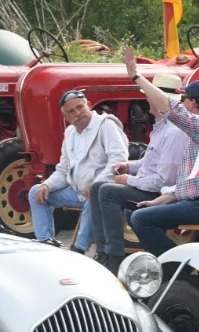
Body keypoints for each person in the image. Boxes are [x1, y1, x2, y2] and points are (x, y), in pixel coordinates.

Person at [120, 45, 199, 256]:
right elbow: (184, 187)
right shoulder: (198, 133)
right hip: (190, 200)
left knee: (142, 218)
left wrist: (136, 76)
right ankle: (171, 261)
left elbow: (171, 109)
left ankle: (176, 265)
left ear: (194, 102)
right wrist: (155, 201)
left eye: (185, 99)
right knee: (136, 211)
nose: (182, 102)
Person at [87, 72, 191, 270]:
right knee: (97, 187)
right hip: (150, 185)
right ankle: (103, 251)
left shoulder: (173, 133)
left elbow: (164, 180)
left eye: (149, 95)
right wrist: (129, 165)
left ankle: (114, 256)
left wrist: (129, 180)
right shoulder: (162, 127)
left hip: (161, 192)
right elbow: (151, 163)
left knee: (107, 191)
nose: (145, 99)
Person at [28, 89, 128, 252]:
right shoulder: (70, 133)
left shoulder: (106, 125)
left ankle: (79, 250)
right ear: (66, 117)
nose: (78, 113)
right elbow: (63, 170)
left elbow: (119, 160)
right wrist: (46, 185)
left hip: (105, 191)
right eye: (71, 111)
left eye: (80, 107)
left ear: (88, 105)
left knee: (94, 196)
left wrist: (96, 184)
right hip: (77, 192)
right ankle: (45, 243)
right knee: (35, 192)